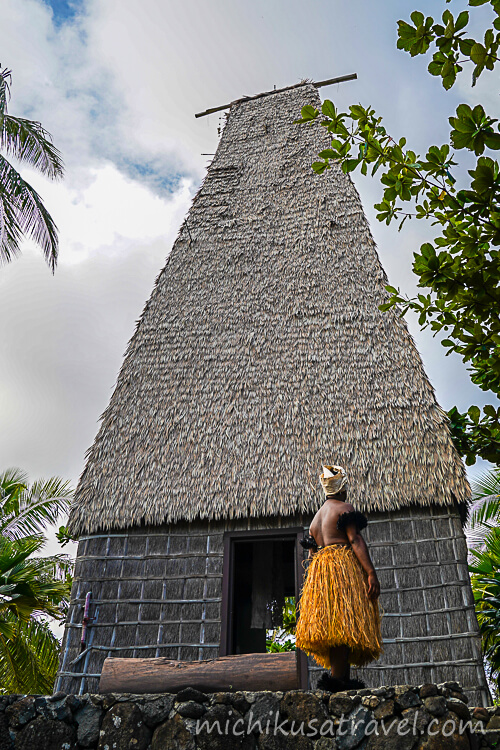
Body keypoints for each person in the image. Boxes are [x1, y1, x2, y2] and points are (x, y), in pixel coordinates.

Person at [295, 465, 383, 692]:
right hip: (341, 570)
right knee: (344, 627)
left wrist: (314, 588)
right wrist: (371, 572)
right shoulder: (344, 508)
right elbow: (354, 541)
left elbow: (311, 556)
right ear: (342, 489)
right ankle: (336, 684)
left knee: (337, 630)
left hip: (321, 576)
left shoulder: (316, 519)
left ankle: (341, 681)